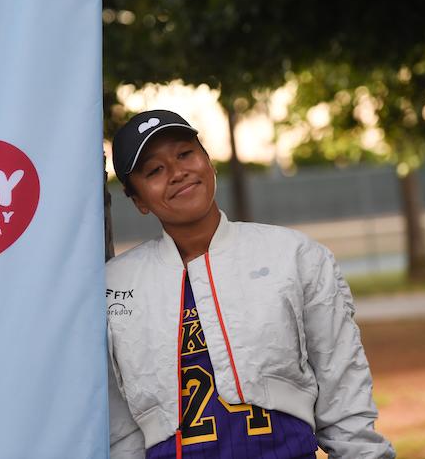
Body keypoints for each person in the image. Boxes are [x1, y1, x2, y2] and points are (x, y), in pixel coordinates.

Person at [106, 109, 395, 459]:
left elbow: (343, 384)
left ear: (208, 161)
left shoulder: (294, 255)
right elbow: (119, 428)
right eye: (154, 170)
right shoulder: (113, 285)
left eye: (185, 154)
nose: (178, 172)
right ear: (137, 200)